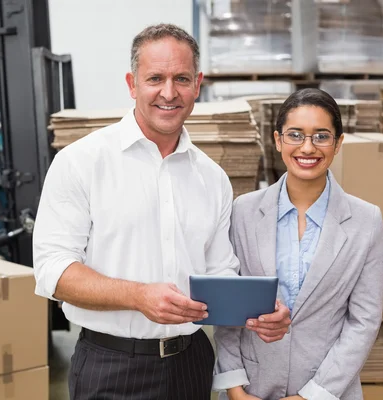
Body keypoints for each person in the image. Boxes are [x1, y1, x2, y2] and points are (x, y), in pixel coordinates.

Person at [33, 23, 291, 400]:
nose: (169, 93)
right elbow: (53, 271)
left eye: (181, 79)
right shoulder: (81, 163)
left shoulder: (212, 178)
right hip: (111, 365)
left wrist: (263, 313)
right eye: (155, 78)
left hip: (191, 364)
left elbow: (220, 272)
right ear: (132, 83)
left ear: (197, 84)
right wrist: (137, 296)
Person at [212, 88, 383, 400]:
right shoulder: (244, 211)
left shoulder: (366, 220)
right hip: (252, 388)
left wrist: (314, 395)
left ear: (338, 143)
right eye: (295, 135)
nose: (308, 147)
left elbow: (364, 321)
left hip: (329, 390)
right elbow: (229, 309)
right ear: (277, 140)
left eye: (321, 136)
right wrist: (234, 386)